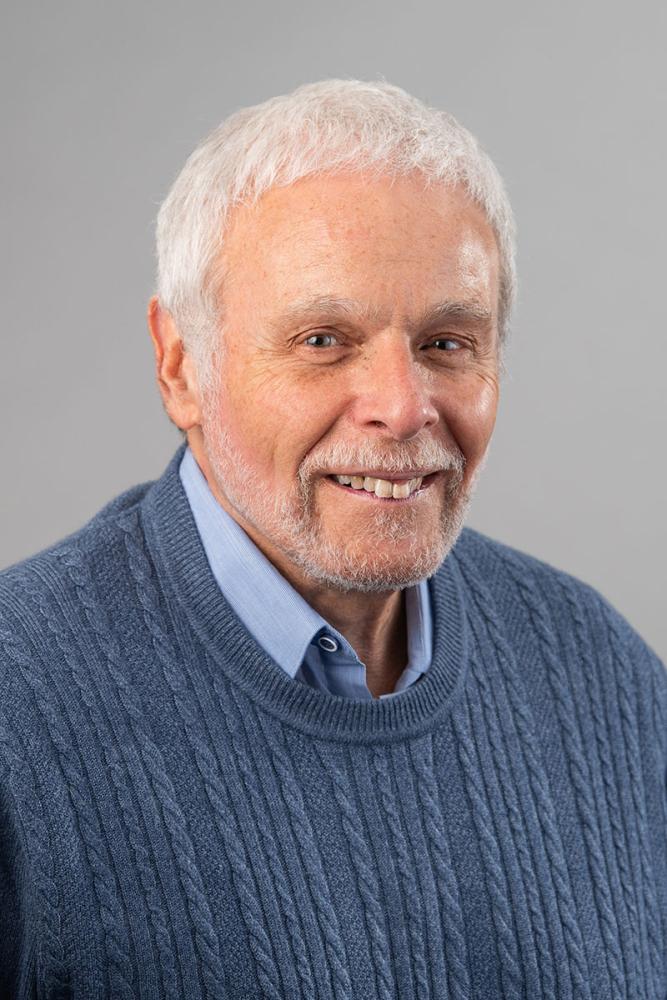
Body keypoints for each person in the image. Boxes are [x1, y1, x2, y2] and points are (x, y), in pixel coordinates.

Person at [0, 79, 665, 1000]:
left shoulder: (604, 679)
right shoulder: (18, 706)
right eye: (322, 339)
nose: (400, 406)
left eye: (445, 343)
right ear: (180, 364)